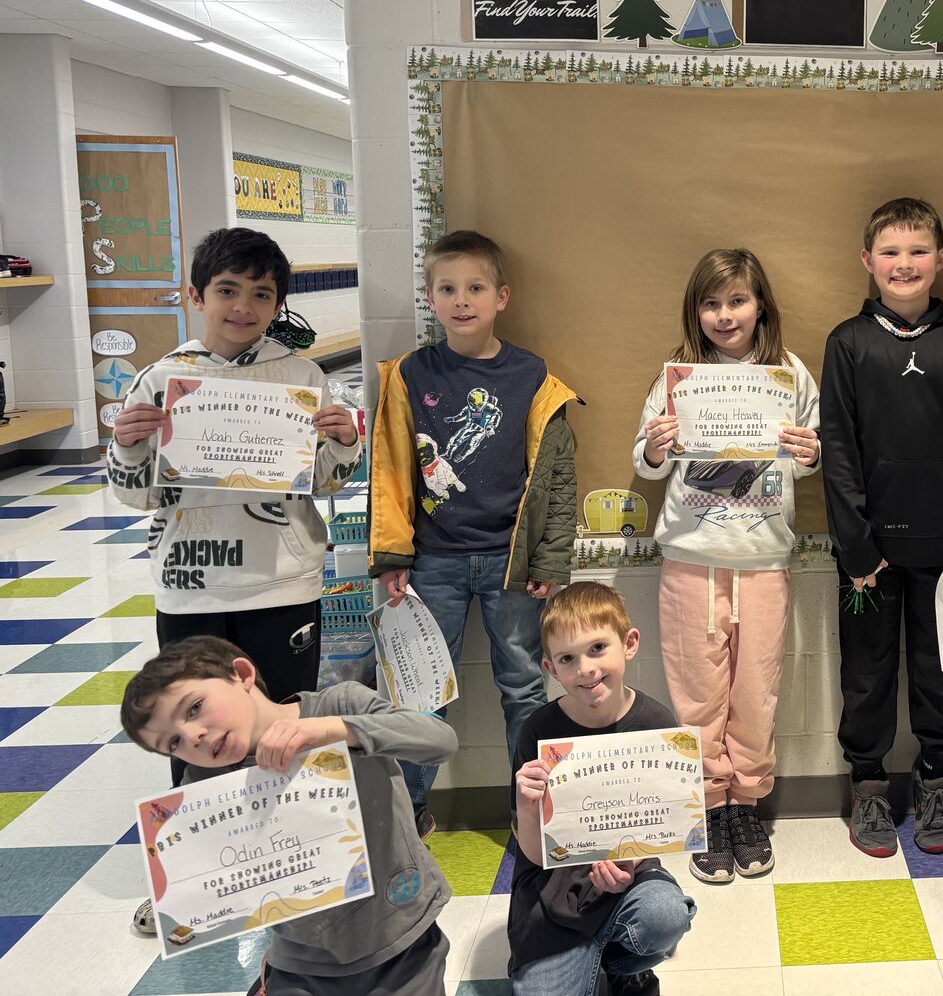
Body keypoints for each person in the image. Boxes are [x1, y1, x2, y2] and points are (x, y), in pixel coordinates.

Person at [107, 227, 362, 934]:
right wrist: (127, 444)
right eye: (227, 290)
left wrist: (343, 443)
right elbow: (134, 494)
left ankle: (303, 869)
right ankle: (191, 882)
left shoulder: (301, 377)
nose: (243, 307)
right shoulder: (162, 379)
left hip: (282, 581)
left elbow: (327, 483)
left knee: (285, 725)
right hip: (190, 584)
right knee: (188, 732)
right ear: (196, 296)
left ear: (277, 304)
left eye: (260, 294)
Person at [368, 229, 579, 838]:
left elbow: (558, 476)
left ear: (501, 297)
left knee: (524, 687)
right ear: (430, 298)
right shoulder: (411, 374)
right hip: (433, 561)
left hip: (512, 562)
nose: (462, 300)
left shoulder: (531, 374)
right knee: (421, 692)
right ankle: (408, 815)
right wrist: (392, 553)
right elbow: (390, 467)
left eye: (476, 288)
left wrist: (550, 560)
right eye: (447, 289)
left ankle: (530, 811)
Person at [120, 635, 457, 995]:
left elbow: (440, 741)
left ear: (242, 675)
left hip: (401, 936)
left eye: (194, 708)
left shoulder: (339, 705)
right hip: (300, 959)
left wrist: (337, 730)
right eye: (174, 743)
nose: (193, 737)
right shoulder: (203, 782)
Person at [820, 197, 943, 857]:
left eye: (918, 251)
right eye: (890, 252)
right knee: (866, 674)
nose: (905, 264)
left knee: (941, 675)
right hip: (866, 556)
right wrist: (856, 546)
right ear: (867, 261)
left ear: (941, 259)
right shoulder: (847, 343)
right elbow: (838, 452)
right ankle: (868, 784)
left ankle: (935, 781)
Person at [633, 248, 820, 884]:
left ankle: (745, 805)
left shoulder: (789, 374)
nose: (724, 314)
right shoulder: (679, 377)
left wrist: (809, 451)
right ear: (696, 312)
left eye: (737, 300)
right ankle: (709, 807)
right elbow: (644, 461)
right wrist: (655, 448)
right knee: (697, 695)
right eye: (711, 304)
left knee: (755, 693)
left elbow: (811, 456)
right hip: (691, 559)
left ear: (760, 304)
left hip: (763, 559)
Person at [507, 583, 696, 996]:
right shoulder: (538, 732)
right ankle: (591, 953)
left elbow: (662, 827)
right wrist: (526, 803)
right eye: (567, 659)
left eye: (597, 648)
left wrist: (631, 863)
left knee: (665, 916)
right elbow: (536, 855)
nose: (586, 669)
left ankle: (622, 961)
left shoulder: (656, 723)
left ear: (629, 644)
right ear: (551, 668)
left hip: (630, 874)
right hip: (551, 891)